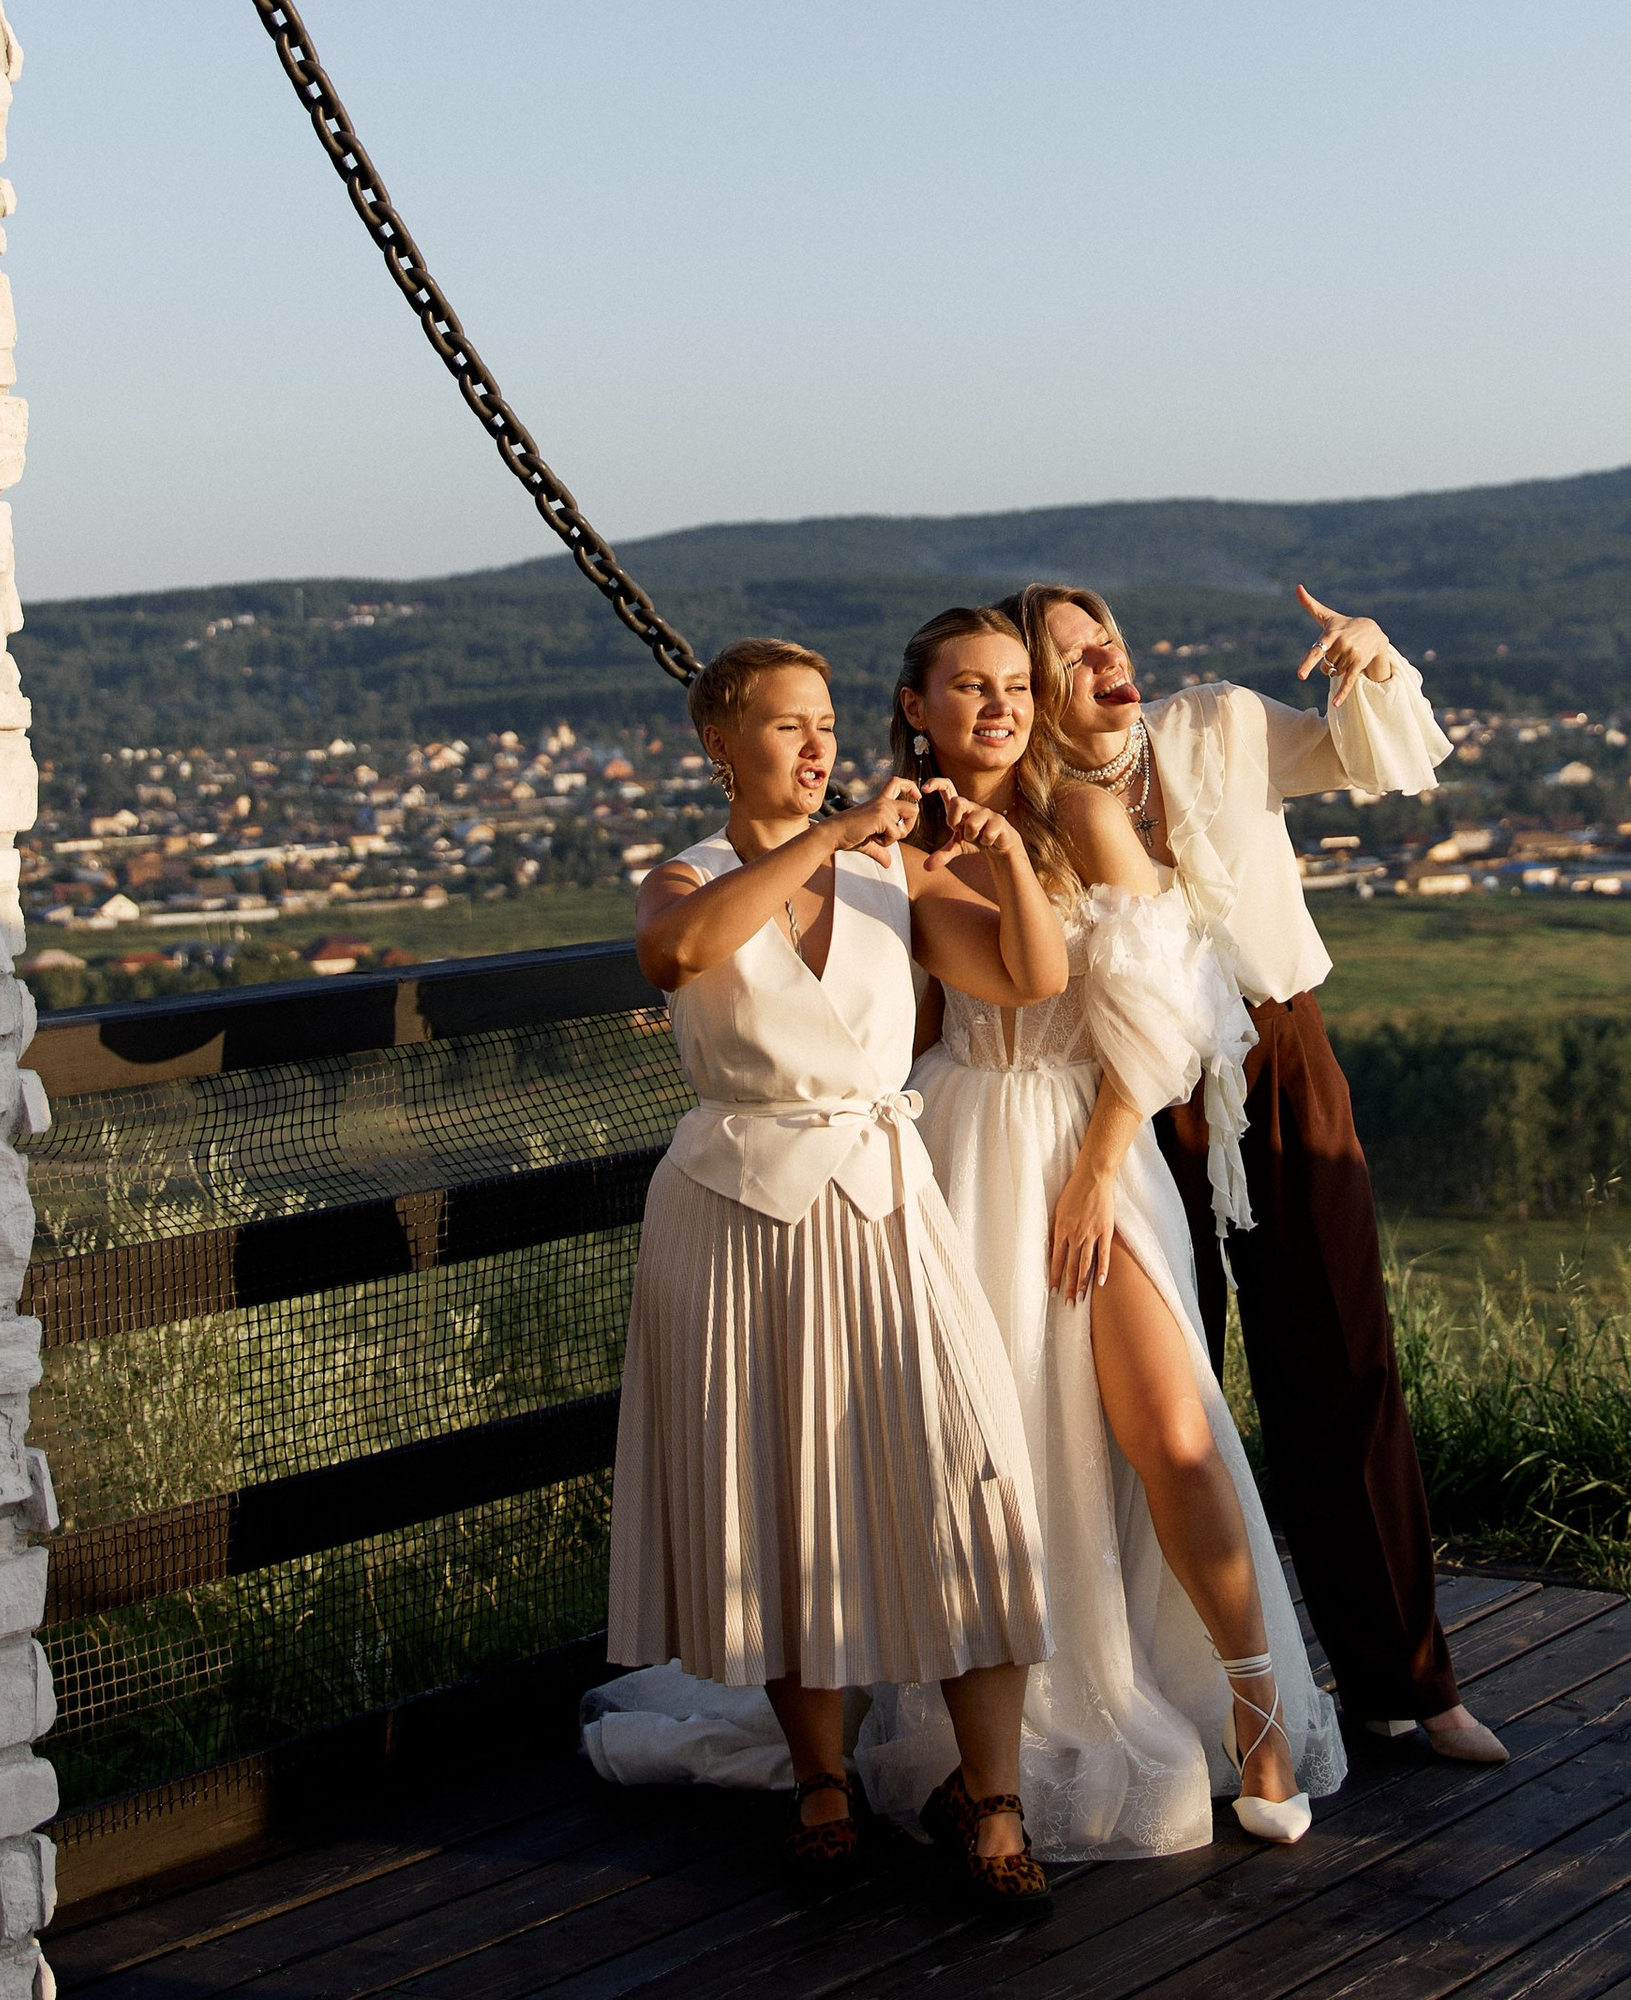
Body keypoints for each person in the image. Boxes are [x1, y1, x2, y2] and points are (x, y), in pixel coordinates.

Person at [1000, 583, 1508, 1770]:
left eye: (1107, 638)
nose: (1102, 662)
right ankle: (1176, 1700)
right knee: (1165, 1404)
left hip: (1276, 1058)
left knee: (1338, 1361)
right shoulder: (1027, 807)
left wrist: (1370, 663)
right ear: (1033, 692)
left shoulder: (1218, 723)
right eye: (1067, 658)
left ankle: (1406, 1684)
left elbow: (1363, 761)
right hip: (1125, 1099)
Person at [862, 610, 1344, 1859]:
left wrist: (1092, 1175)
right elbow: (926, 1006)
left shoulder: (1076, 813)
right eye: (969, 688)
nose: (1001, 707)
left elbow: (1172, 997)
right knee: (992, 1454)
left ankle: (1254, 1715)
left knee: (1172, 1435)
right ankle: (1000, 1740)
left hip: (1094, 1145)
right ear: (916, 706)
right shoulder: (897, 843)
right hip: (965, 1142)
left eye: (1016, 685)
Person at [605, 635, 1071, 1914]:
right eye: (787, 727)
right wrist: (828, 837)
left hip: (882, 1202)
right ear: (722, 744)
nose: (816, 748)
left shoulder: (892, 873)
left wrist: (1012, 862)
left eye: (825, 724)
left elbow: (1032, 977)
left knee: (963, 1481)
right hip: (733, 1215)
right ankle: (819, 1782)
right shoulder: (686, 874)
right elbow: (678, 957)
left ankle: (994, 1799)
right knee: (777, 1493)